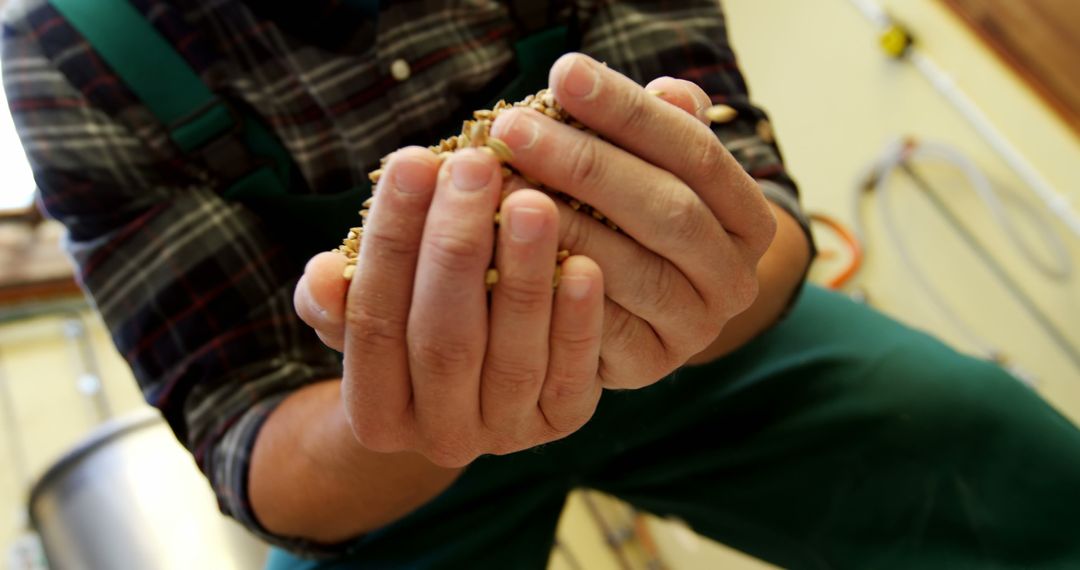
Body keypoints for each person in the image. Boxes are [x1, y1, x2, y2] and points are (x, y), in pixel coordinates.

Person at [4, 0, 1079, 568]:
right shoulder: (63, 49)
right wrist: (423, 409)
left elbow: (756, 202)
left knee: (1002, 456)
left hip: (703, 344)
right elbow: (247, 440)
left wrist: (707, 264)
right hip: (380, 448)